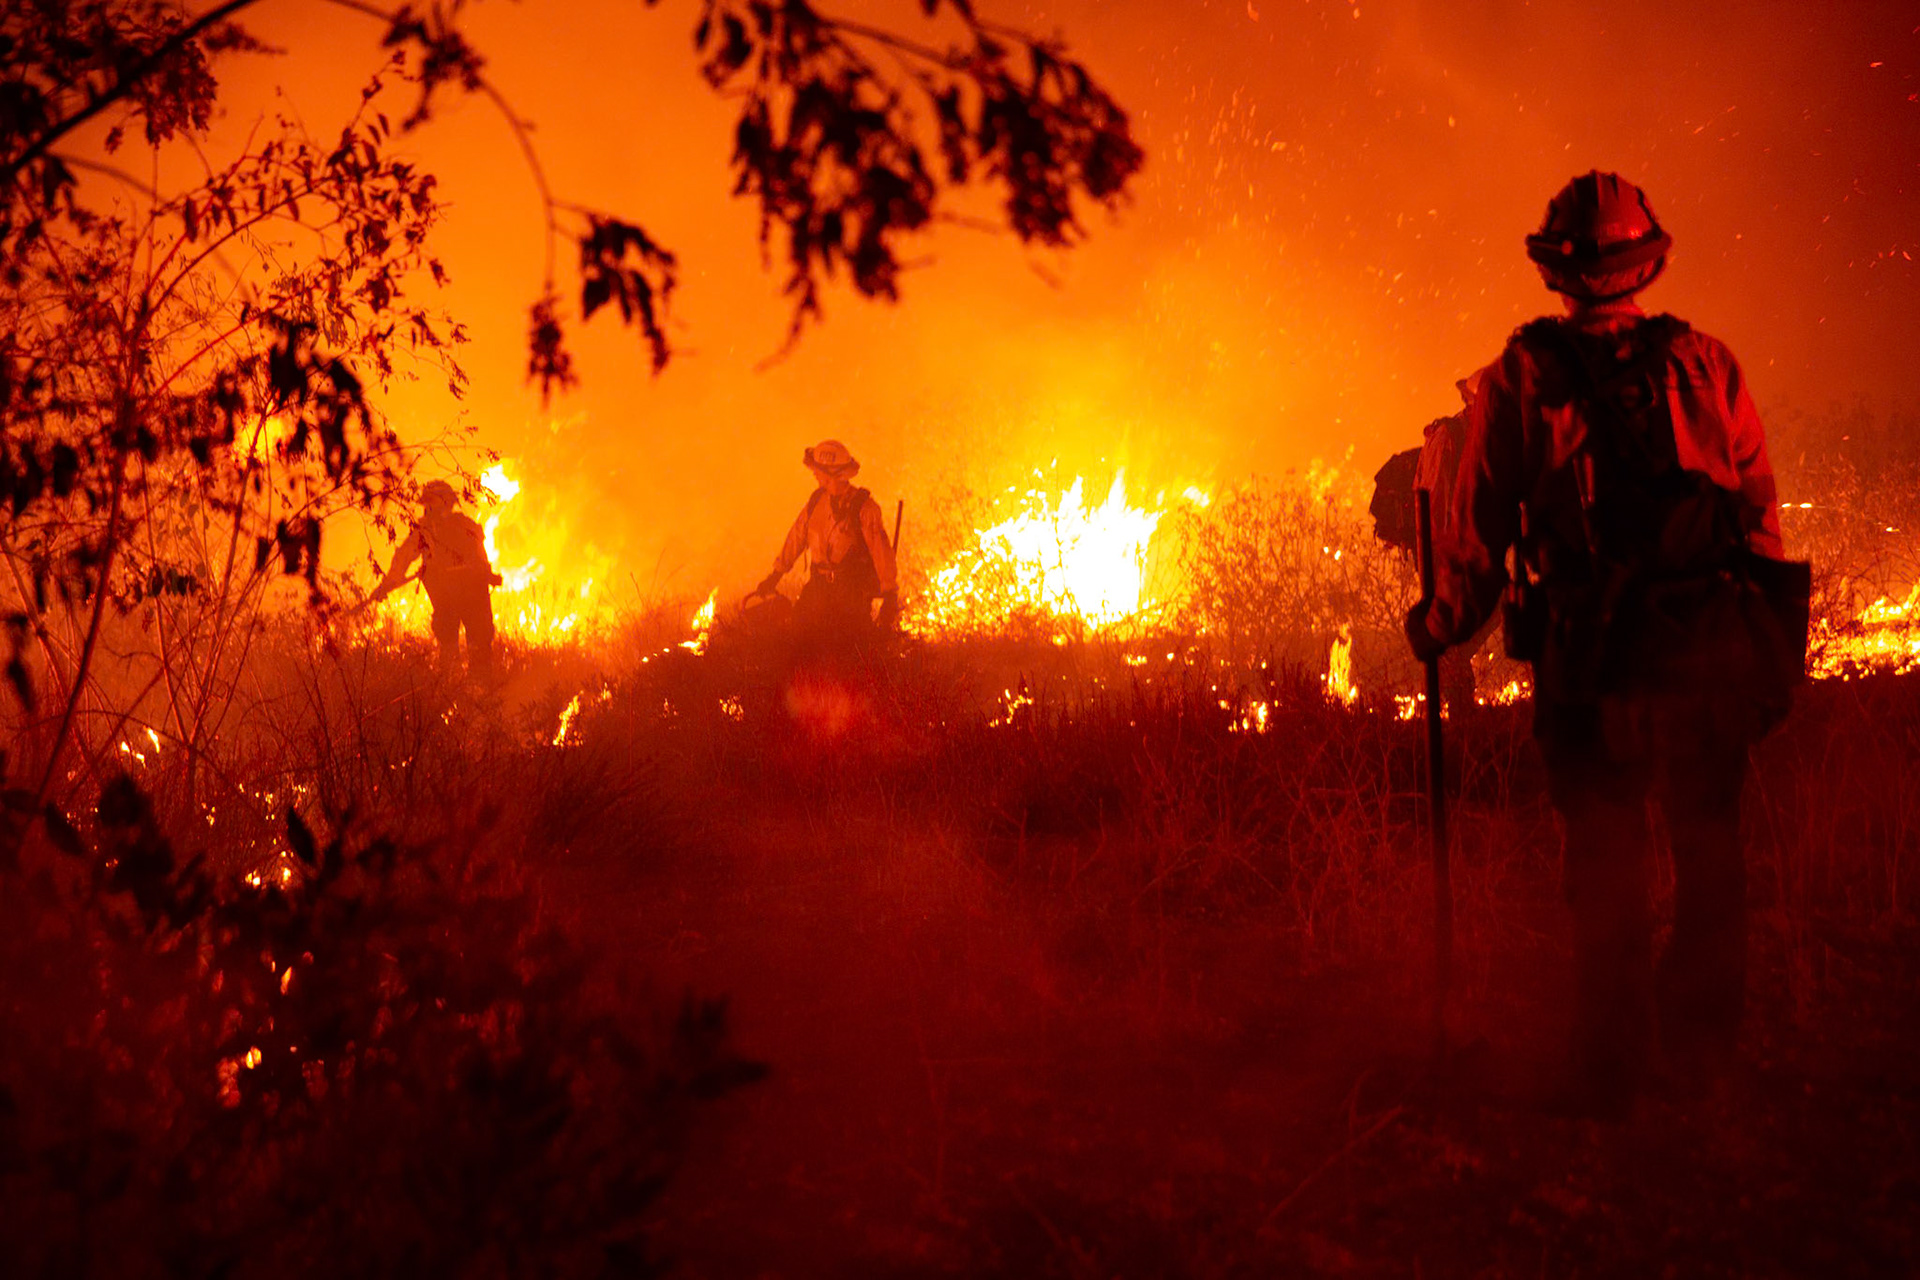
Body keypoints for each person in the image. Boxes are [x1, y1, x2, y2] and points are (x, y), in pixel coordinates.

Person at [1406, 171, 1793, 1115]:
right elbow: (1758, 521)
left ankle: (1615, 1072)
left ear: (1558, 273)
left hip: (1593, 662)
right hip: (1706, 650)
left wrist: (1440, 623)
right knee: (1710, 856)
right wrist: (1765, 651)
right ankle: (1703, 1060)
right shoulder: (1709, 365)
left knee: (1607, 860)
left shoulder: (1522, 379)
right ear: (1645, 261)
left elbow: (1478, 534)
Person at [752, 439, 899, 645]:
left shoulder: (865, 508)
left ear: (831, 474)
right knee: (799, 640)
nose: (814, 473)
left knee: (850, 649)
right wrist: (775, 575)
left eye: (817, 469)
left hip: (850, 593)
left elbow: (880, 551)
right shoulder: (816, 502)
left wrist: (889, 593)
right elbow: (797, 536)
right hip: (818, 588)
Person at [373, 479, 502, 676]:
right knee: (464, 649)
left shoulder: (439, 530)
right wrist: (387, 585)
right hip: (461, 596)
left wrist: (387, 584)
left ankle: (469, 692)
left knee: (469, 649)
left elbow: (403, 560)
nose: (428, 508)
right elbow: (403, 559)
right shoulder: (446, 529)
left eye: (430, 503)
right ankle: (465, 693)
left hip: (462, 596)